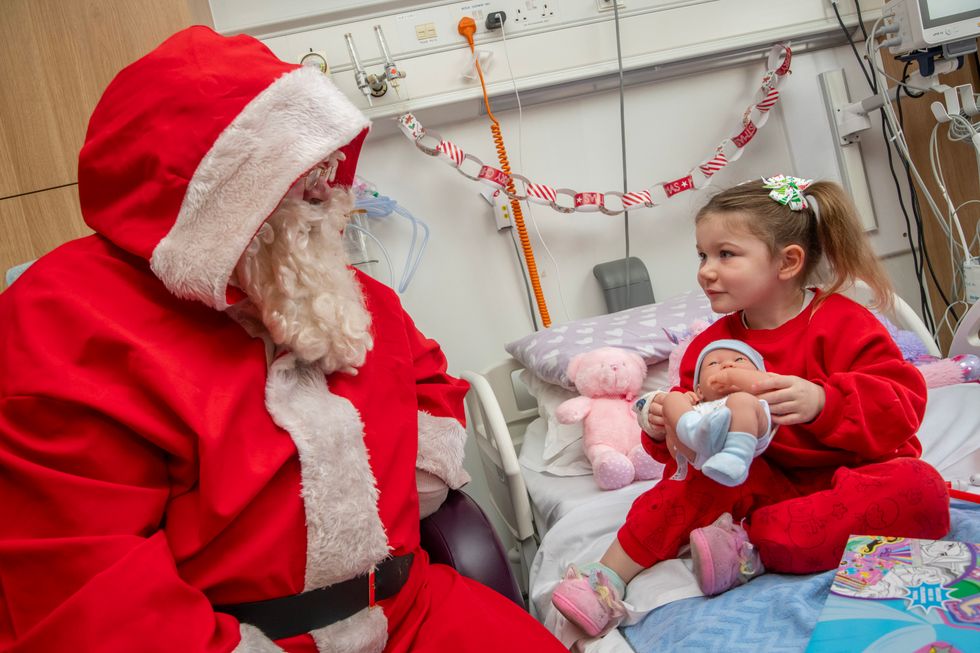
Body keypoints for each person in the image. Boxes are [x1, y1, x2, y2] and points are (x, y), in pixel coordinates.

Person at [0, 26, 567, 653]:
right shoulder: (65, 323)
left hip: (413, 610)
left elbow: (433, 382)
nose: (327, 190)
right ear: (214, 194)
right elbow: (88, 592)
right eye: (294, 171)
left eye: (325, 163)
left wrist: (409, 475)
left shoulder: (348, 291)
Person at [550, 175, 949, 638]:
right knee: (692, 488)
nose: (706, 270)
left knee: (921, 487)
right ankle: (606, 577)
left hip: (852, 474)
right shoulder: (710, 346)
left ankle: (751, 545)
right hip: (758, 480)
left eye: (725, 254)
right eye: (702, 255)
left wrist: (823, 400)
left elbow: (901, 405)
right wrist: (665, 428)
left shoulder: (843, 322)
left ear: (788, 262)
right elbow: (692, 446)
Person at [636, 339, 775, 487]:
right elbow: (673, 448)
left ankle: (735, 455)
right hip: (696, 449)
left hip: (747, 442)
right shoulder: (700, 409)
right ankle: (696, 432)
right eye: (713, 364)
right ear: (700, 390)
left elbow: (760, 385)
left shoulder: (756, 402)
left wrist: (730, 377)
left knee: (740, 400)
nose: (727, 365)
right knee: (672, 398)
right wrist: (679, 407)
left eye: (739, 359)